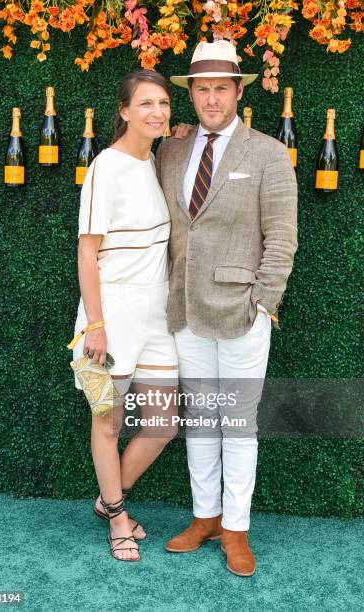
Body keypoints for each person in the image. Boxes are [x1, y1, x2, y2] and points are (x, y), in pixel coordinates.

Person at [155, 40, 298, 576]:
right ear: (189, 95)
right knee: (201, 422)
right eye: (201, 88)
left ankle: (236, 528)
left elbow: (282, 236)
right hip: (185, 310)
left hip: (243, 312)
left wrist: (265, 301)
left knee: (236, 423)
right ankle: (205, 516)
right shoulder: (170, 150)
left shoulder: (267, 153)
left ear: (240, 90)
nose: (211, 98)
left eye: (221, 88)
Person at [70, 70, 179, 562]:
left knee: (163, 424)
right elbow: (87, 253)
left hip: (157, 315)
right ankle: (117, 517)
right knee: (109, 424)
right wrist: (95, 324)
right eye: (145, 104)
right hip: (111, 314)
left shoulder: (154, 161)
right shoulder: (106, 167)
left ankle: (108, 497)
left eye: (163, 103)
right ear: (124, 111)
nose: (157, 112)